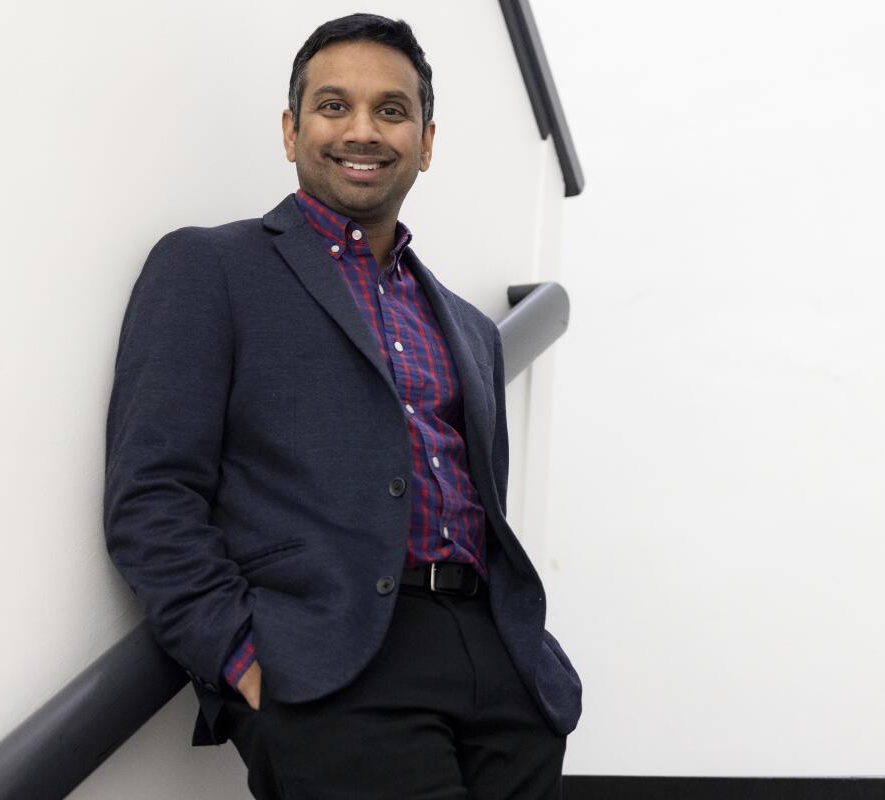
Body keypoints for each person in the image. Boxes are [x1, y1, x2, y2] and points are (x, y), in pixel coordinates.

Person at [103, 12, 581, 799]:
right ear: (292, 131)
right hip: (332, 670)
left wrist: (521, 659)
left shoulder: (467, 326)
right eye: (333, 107)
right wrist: (242, 661)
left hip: (496, 668)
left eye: (392, 111)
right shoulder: (209, 269)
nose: (362, 130)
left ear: (426, 142)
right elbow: (152, 495)